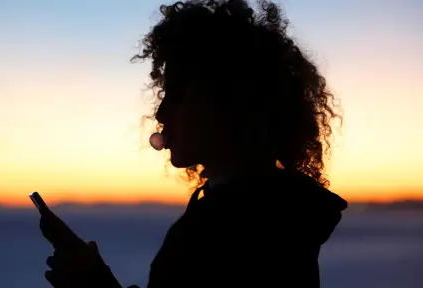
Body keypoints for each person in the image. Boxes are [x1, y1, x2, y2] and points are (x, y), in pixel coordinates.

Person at [38, 0, 348, 287]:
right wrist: (93, 277)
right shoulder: (270, 213)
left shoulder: (237, 232)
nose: (160, 112)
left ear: (233, 104)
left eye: (179, 96)